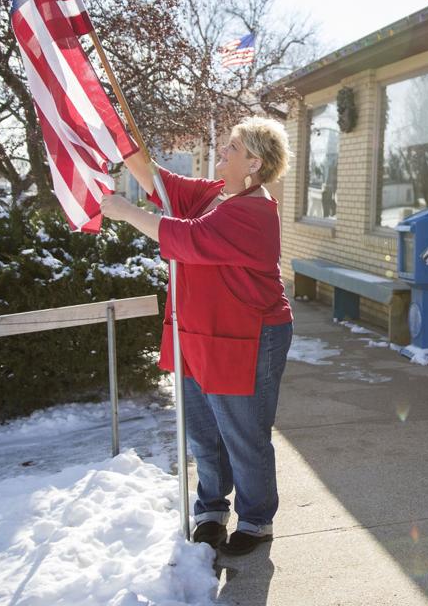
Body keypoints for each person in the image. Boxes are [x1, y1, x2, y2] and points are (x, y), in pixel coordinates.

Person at [99, 116, 293, 557]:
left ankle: (258, 519)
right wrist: (118, 131)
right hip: (200, 335)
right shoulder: (212, 195)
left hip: (249, 338)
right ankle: (211, 510)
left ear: (254, 164)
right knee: (204, 433)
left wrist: (127, 213)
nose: (222, 153)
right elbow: (157, 179)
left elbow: (187, 240)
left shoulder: (254, 213)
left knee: (243, 434)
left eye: (232, 148)